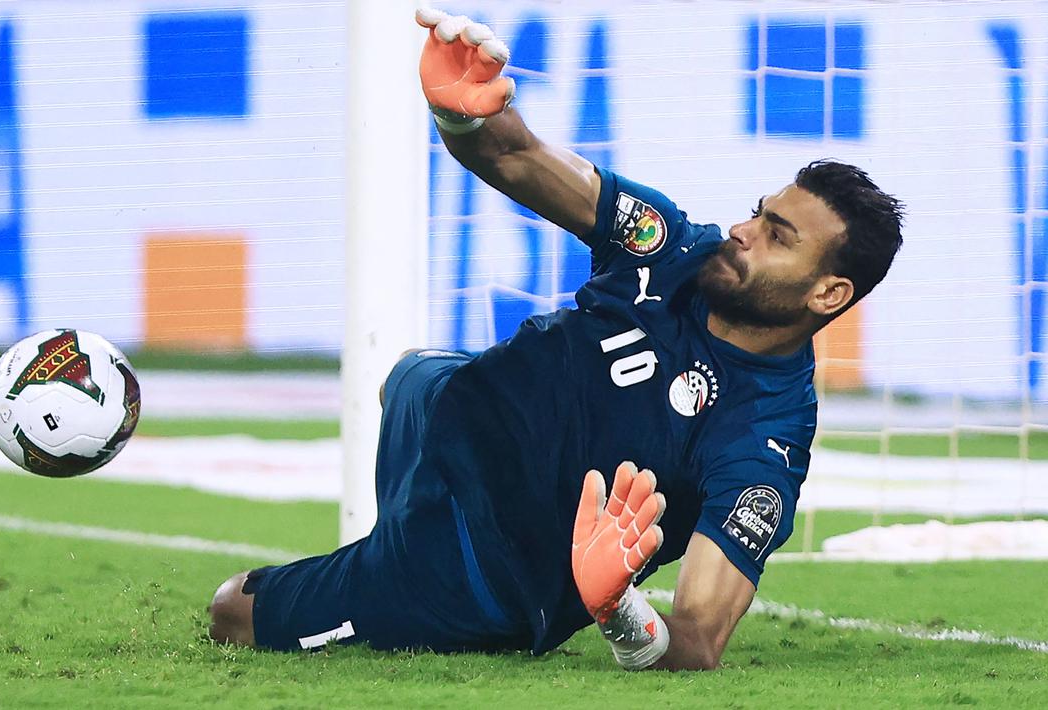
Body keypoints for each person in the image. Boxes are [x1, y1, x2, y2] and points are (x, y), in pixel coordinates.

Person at [208, 7, 904, 671]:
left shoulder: (763, 441)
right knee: (408, 373)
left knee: (233, 611)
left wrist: (617, 607)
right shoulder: (668, 247)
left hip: (477, 564)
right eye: (759, 212)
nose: (743, 230)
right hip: (449, 408)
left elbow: (695, 637)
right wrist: (463, 111)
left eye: (776, 236)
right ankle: (384, 550)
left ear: (827, 293)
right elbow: (513, 153)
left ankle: (389, 575)